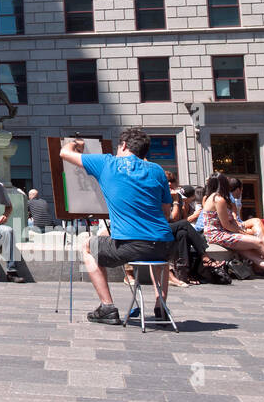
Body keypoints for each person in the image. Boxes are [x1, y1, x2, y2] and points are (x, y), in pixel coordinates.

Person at [59, 128, 176, 325]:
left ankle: (107, 307)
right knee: (159, 254)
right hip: (164, 244)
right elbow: (165, 211)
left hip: (131, 245)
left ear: (123, 145)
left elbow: (64, 153)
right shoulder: (157, 170)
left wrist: (76, 144)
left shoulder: (107, 163)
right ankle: (161, 306)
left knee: (88, 247)